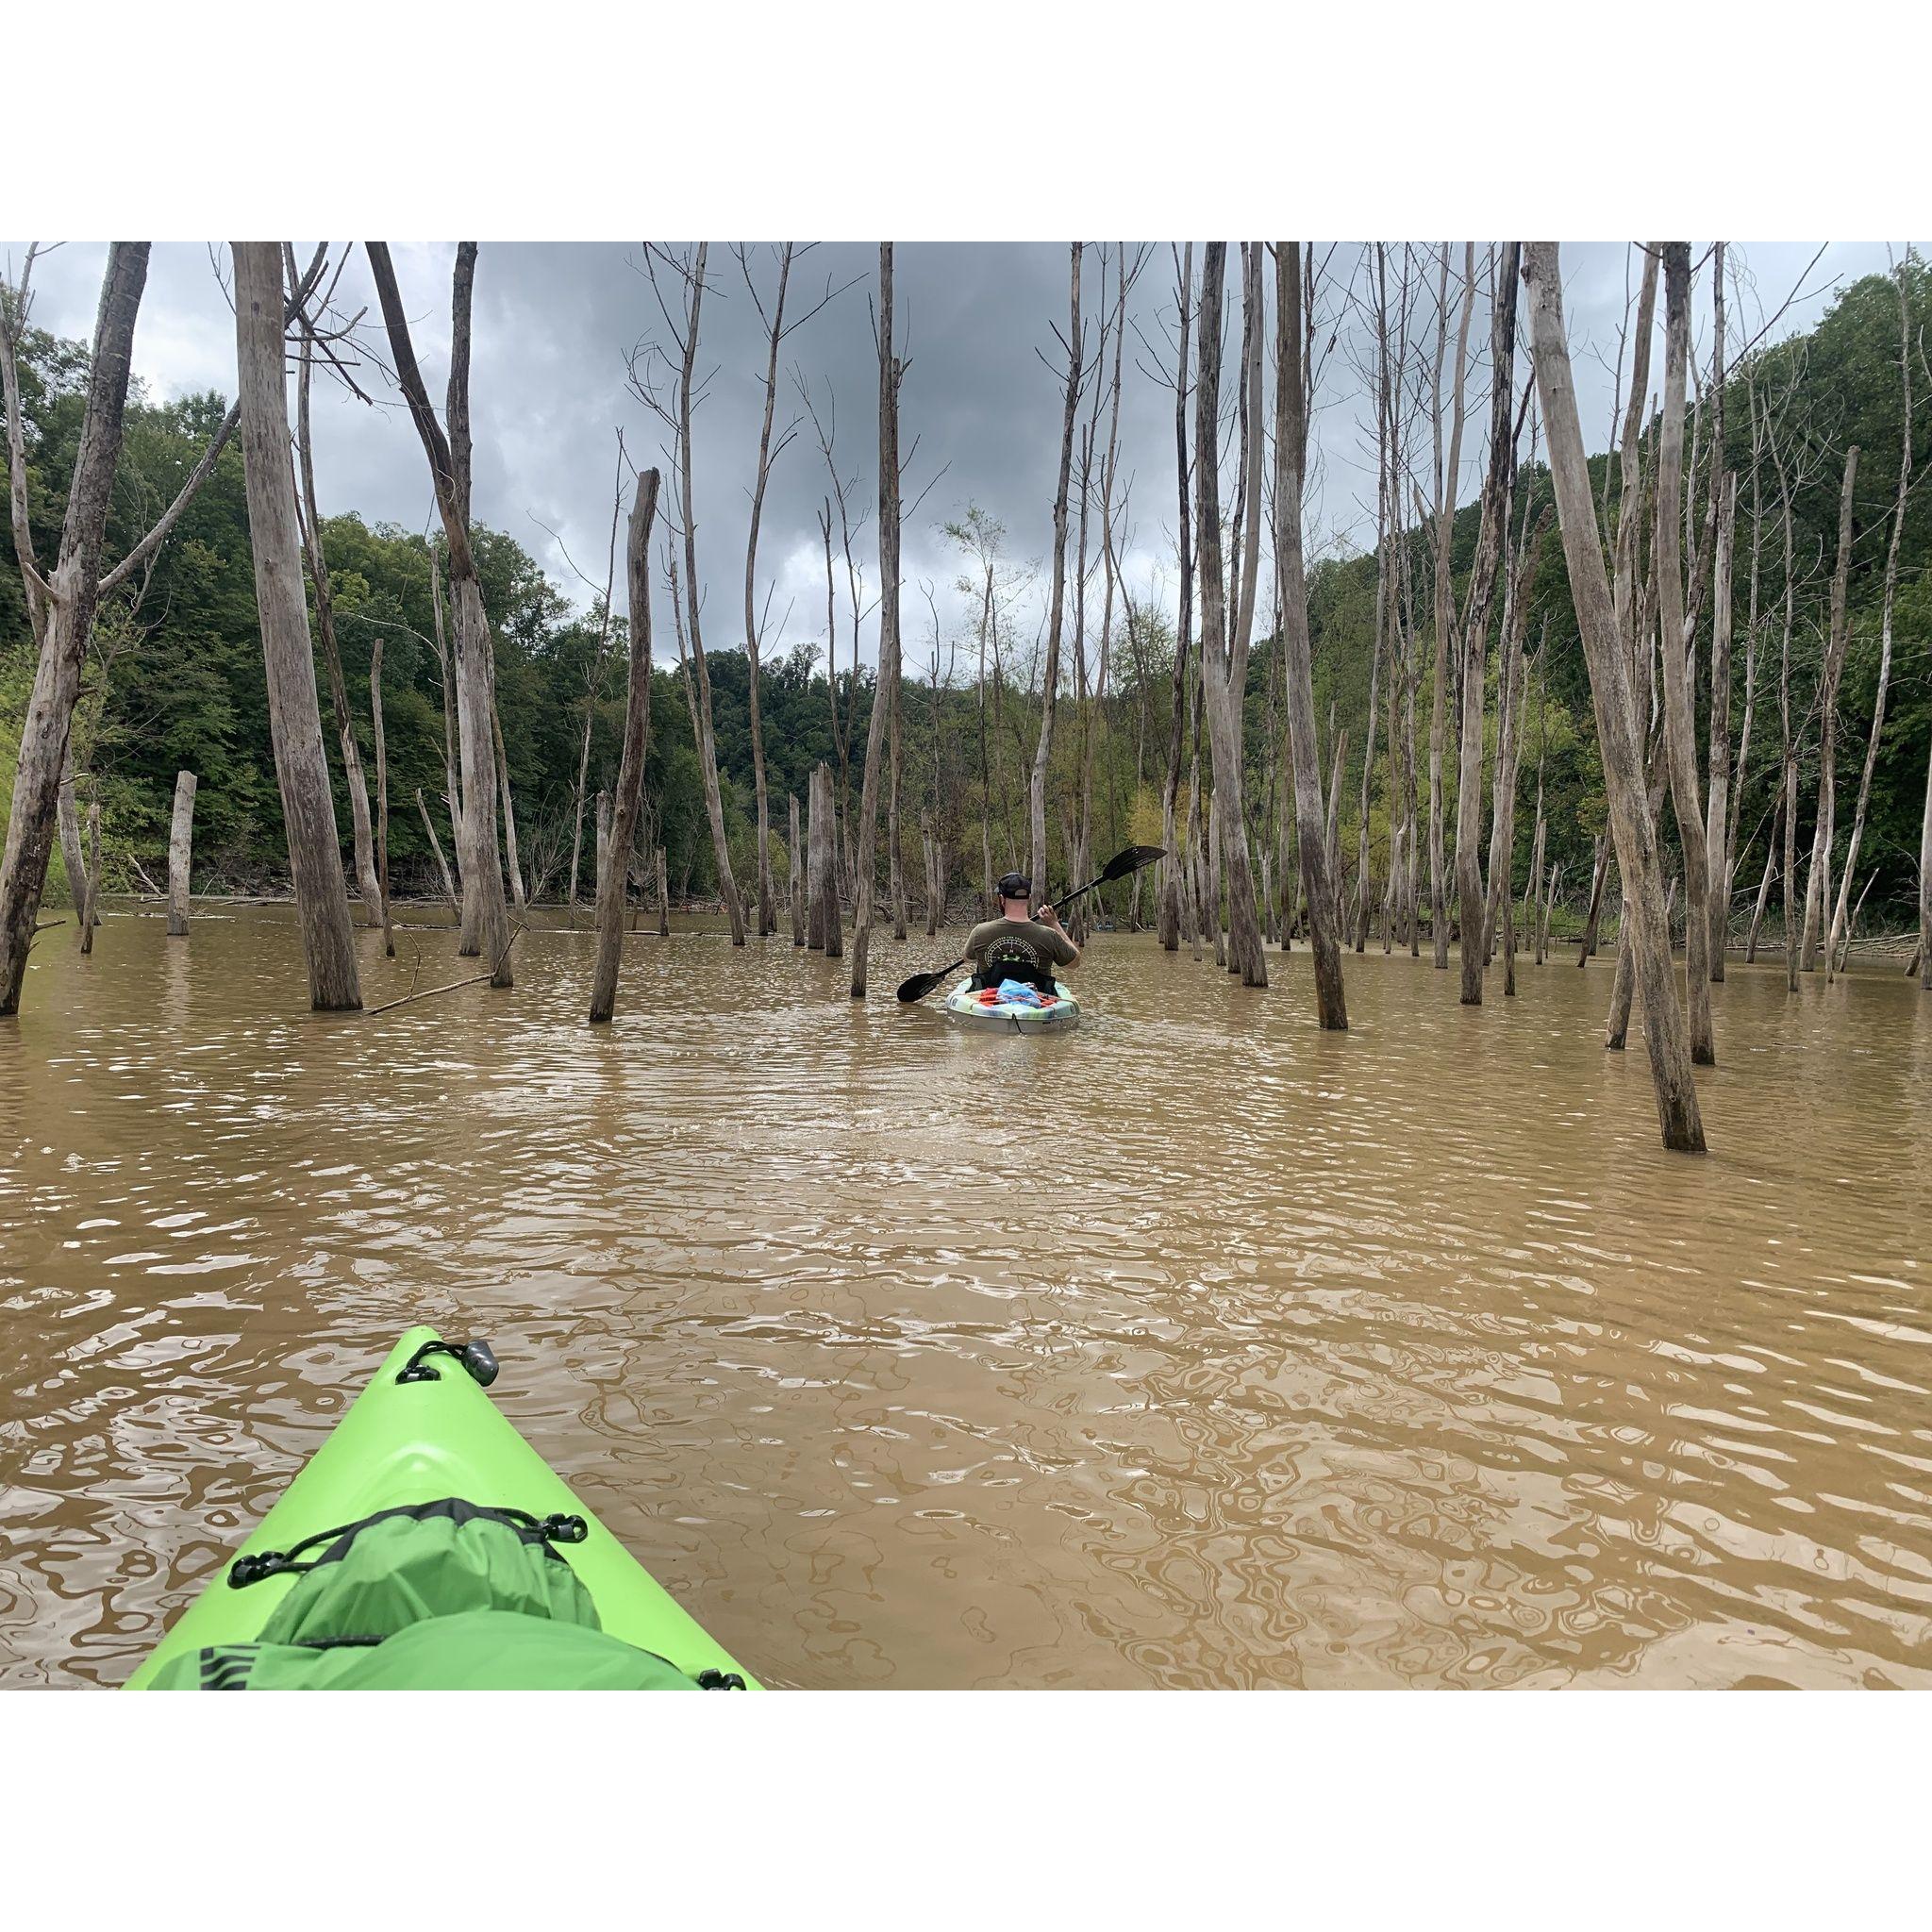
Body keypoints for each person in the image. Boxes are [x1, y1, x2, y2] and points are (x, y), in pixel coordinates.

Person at [964, 872, 1079, 992]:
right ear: (1029, 898)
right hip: (1035, 1004)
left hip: (990, 1004)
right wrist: (1054, 924)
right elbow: (1074, 962)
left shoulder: (980, 931)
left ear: (1002, 899)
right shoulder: (1050, 935)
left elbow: (968, 958)